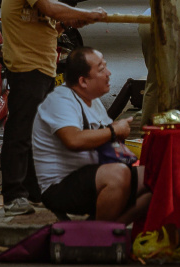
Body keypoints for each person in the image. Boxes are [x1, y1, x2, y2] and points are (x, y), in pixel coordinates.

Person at [0, 0, 107, 215]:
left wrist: (71, 22)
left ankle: (32, 190)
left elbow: (52, 22)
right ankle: (13, 195)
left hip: (44, 66)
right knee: (20, 131)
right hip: (26, 65)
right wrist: (84, 14)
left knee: (38, 133)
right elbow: (49, 9)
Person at [32, 48, 151, 223]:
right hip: (60, 185)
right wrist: (113, 131)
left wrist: (116, 130)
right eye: (102, 70)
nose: (109, 73)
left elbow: (103, 134)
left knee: (156, 179)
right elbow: (73, 140)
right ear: (83, 81)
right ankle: (99, 235)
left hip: (94, 172)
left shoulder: (92, 99)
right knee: (118, 174)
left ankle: (105, 232)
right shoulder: (61, 101)